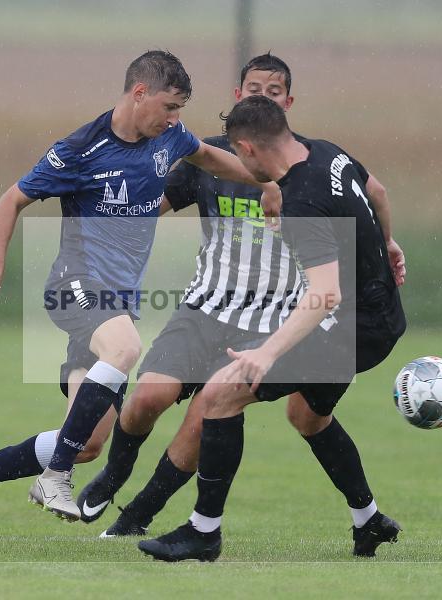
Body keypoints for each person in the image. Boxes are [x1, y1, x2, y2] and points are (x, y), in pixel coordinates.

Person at [0, 50, 280, 537]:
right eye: (169, 108)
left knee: (86, 441)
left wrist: (270, 176)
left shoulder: (170, 138)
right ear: (139, 94)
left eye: (179, 111)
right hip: (76, 285)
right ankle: (54, 478)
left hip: (115, 305)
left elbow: (214, 159)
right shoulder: (80, 150)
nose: (175, 120)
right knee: (126, 348)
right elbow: (11, 200)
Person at [78, 53, 381, 539]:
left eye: (273, 90)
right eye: (253, 88)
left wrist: (385, 244)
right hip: (207, 305)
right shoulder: (212, 156)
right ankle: (114, 475)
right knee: (145, 400)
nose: (262, 95)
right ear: (238, 96)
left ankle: (140, 513)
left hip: (271, 318)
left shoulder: (306, 163)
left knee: (204, 416)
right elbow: (152, 203)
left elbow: (369, 193)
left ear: (288, 101)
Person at [138, 95, 407, 562]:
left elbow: (325, 294)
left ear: (248, 148)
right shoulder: (328, 153)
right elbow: (378, 192)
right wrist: (385, 244)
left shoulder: (300, 202)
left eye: (239, 158)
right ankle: (369, 522)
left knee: (222, 393)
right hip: (383, 318)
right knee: (307, 417)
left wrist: (266, 353)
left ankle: (203, 533)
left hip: (349, 329)